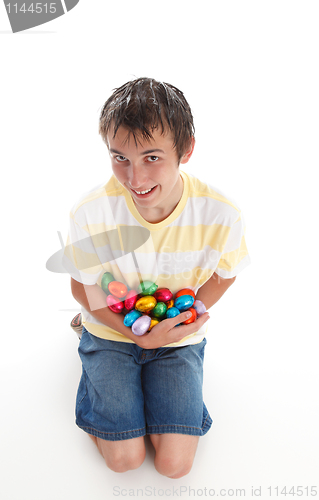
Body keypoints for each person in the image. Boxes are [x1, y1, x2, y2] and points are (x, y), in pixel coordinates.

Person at [63, 77, 250, 478]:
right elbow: (82, 284)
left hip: (174, 334)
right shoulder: (92, 212)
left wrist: (188, 316)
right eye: (120, 158)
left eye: (151, 158)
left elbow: (225, 273)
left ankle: (142, 377)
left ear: (186, 150)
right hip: (113, 329)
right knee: (125, 460)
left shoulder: (220, 212)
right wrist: (133, 333)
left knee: (173, 466)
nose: (134, 179)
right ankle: (87, 338)